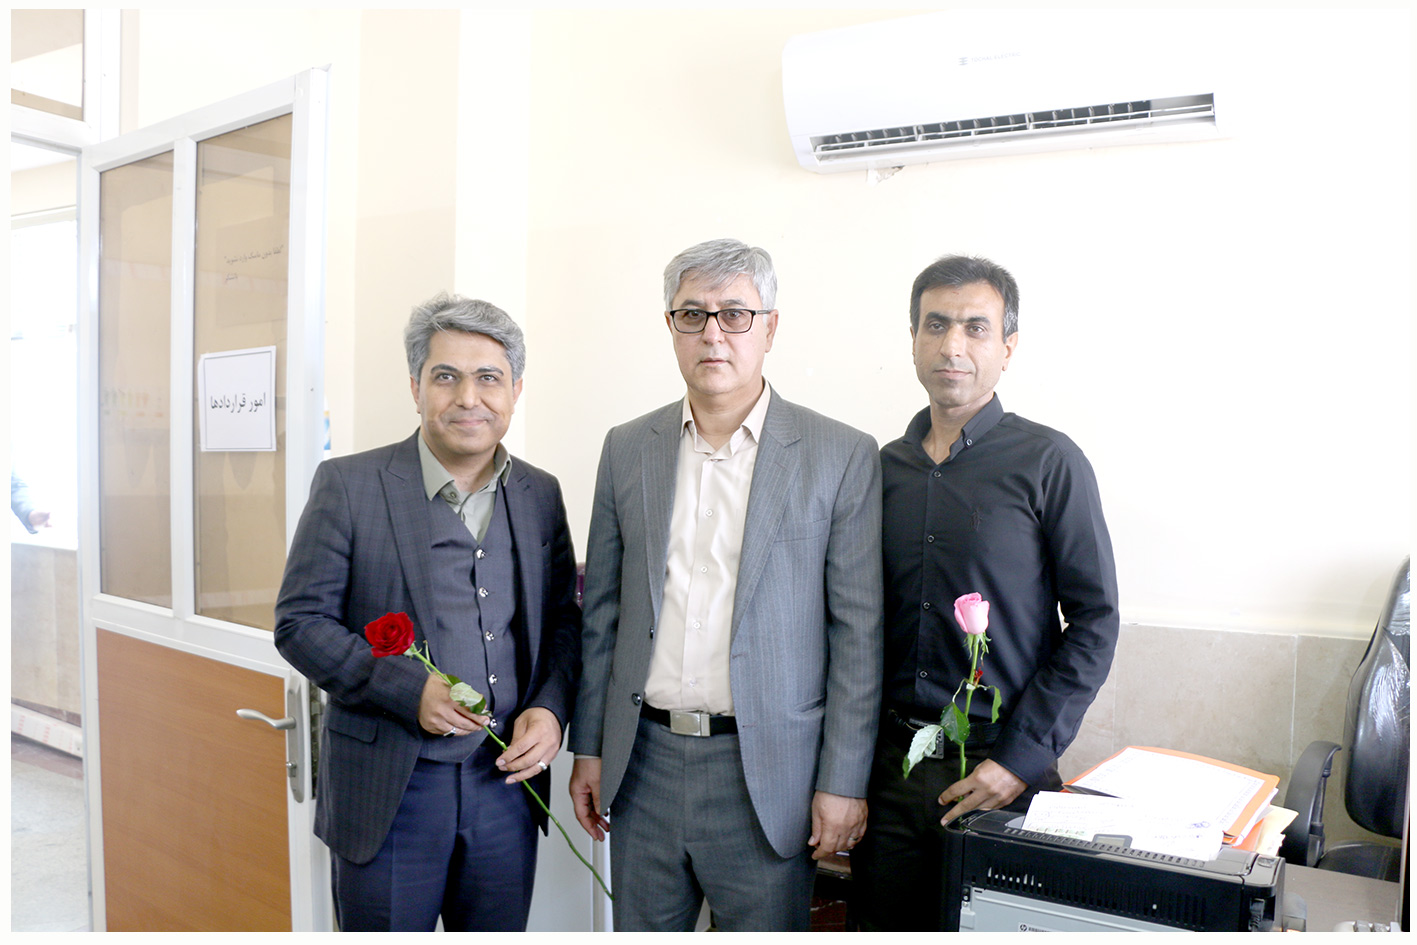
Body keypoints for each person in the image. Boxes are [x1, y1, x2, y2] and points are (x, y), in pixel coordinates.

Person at [567, 238, 883, 931]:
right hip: (642, 764)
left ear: (770, 327)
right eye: (692, 314)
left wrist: (842, 780)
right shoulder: (627, 447)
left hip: (767, 773)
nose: (713, 333)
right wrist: (589, 747)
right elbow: (604, 617)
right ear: (670, 326)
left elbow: (857, 636)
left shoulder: (840, 454)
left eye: (735, 314)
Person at [274, 294, 581, 932]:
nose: (469, 397)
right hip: (390, 790)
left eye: (489, 377)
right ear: (416, 387)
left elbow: (561, 623)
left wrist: (551, 711)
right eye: (446, 376)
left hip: (505, 786)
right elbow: (299, 623)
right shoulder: (349, 485)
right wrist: (406, 688)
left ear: (516, 391)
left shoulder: (540, 493)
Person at [851, 254, 1120, 931]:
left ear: (1008, 347)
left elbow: (1095, 621)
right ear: (913, 338)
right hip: (887, 776)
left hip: (998, 776)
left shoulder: (1049, 462)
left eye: (975, 327)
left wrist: (1019, 760)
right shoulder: (880, 470)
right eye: (935, 324)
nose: (953, 345)